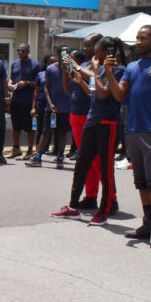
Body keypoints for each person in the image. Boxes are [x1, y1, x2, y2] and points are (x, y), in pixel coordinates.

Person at [106, 26, 151, 249]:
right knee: (140, 181)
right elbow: (119, 94)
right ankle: (147, 223)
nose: (138, 42)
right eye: (137, 38)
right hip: (133, 130)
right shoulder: (131, 66)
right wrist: (109, 72)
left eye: (143, 38)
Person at [52, 36, 126, 226]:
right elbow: (93, 92)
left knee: (105, 168)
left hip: (107, 123)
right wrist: (80, 79)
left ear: (106, 51)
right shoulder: (100, 69)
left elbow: (103, 92)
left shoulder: (117, 70)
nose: (94, 54)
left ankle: (105, 210)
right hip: (92, 121)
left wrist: (91, 69)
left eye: (97, 50)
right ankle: (73, 206)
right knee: (82, 165)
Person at [28, 49, 70, 169]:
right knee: (46, 131)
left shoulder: (71, 67)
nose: (64, 57)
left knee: (62, 133)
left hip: (66, 107)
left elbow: (74, 82)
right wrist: (50, 103)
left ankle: (60, 157)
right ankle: (38, 157)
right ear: (58, 56)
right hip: (52, 108)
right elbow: (46, 87)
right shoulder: (51, 69)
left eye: (67, 54)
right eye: (62, 54)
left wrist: (68, 69)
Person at [7, 44, 40, 158]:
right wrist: (10, 83)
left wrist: (27, 83)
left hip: (28, 100)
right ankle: (16, 148)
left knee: (29, 127)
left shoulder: (35, 65)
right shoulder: (14, 63)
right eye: (19, 50)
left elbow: (38, 83)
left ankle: (30, 150)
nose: (20, 52)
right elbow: (12, 76)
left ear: (28, 52)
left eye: (23, 51)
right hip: (16, 99)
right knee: (15, 126)